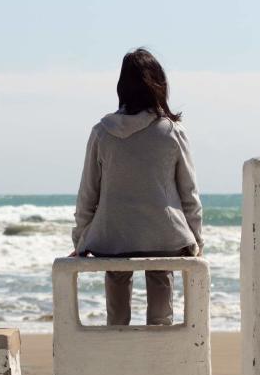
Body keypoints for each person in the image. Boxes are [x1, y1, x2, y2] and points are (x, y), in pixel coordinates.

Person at [70, 48, 203, 326]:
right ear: (159, 85)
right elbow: (188, 194)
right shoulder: (171, 131)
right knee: (161, 294)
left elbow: (88, 193)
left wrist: (81, 240)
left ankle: (117, 348)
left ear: (122, 87)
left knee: (116, 306)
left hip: (111, 237)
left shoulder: (102, 131)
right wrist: (196, 241)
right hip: (164, 238)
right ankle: (158, 348)